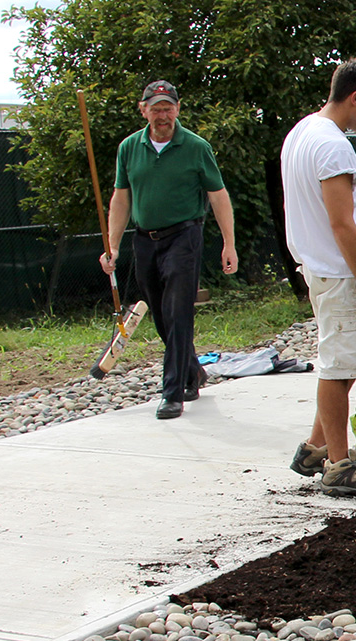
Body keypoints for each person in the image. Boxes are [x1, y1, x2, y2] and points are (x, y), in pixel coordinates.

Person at [280, 57, 356, 496]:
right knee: (336, 366)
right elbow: (341, 223)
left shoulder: (301, 133)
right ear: (355, 96)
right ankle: (339, 467)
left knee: (343, 361)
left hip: (319, 268)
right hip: (340, 273)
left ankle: (315, 447)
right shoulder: (332, 146)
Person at [100, 79, 237, 420]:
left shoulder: (195, 147)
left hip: (184, 237)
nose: (163, 115)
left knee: (178, 312)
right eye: (156, 108)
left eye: (168, 107)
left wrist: (228, 243)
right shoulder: (129, 148)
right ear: (143, 109)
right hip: (145, 239)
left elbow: (218, 196)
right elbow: (122, 197)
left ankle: (172, 391)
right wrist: (112, 246)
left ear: (178, 109)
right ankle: (192, 370)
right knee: (161, 315)